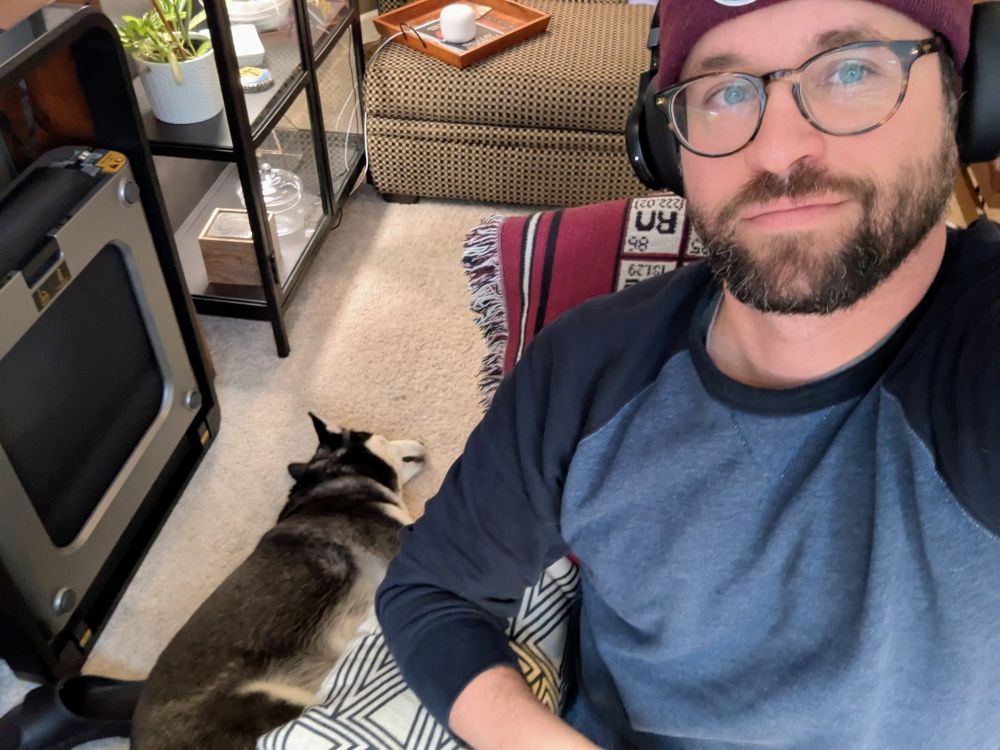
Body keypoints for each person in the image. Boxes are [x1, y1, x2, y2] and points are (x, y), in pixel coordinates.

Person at [376, 0, 1000, 747]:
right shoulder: (587, 367)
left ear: (964, 102)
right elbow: (430, 592)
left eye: (851, 71)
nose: (780, 152)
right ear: (665, 148)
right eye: (728, 92)